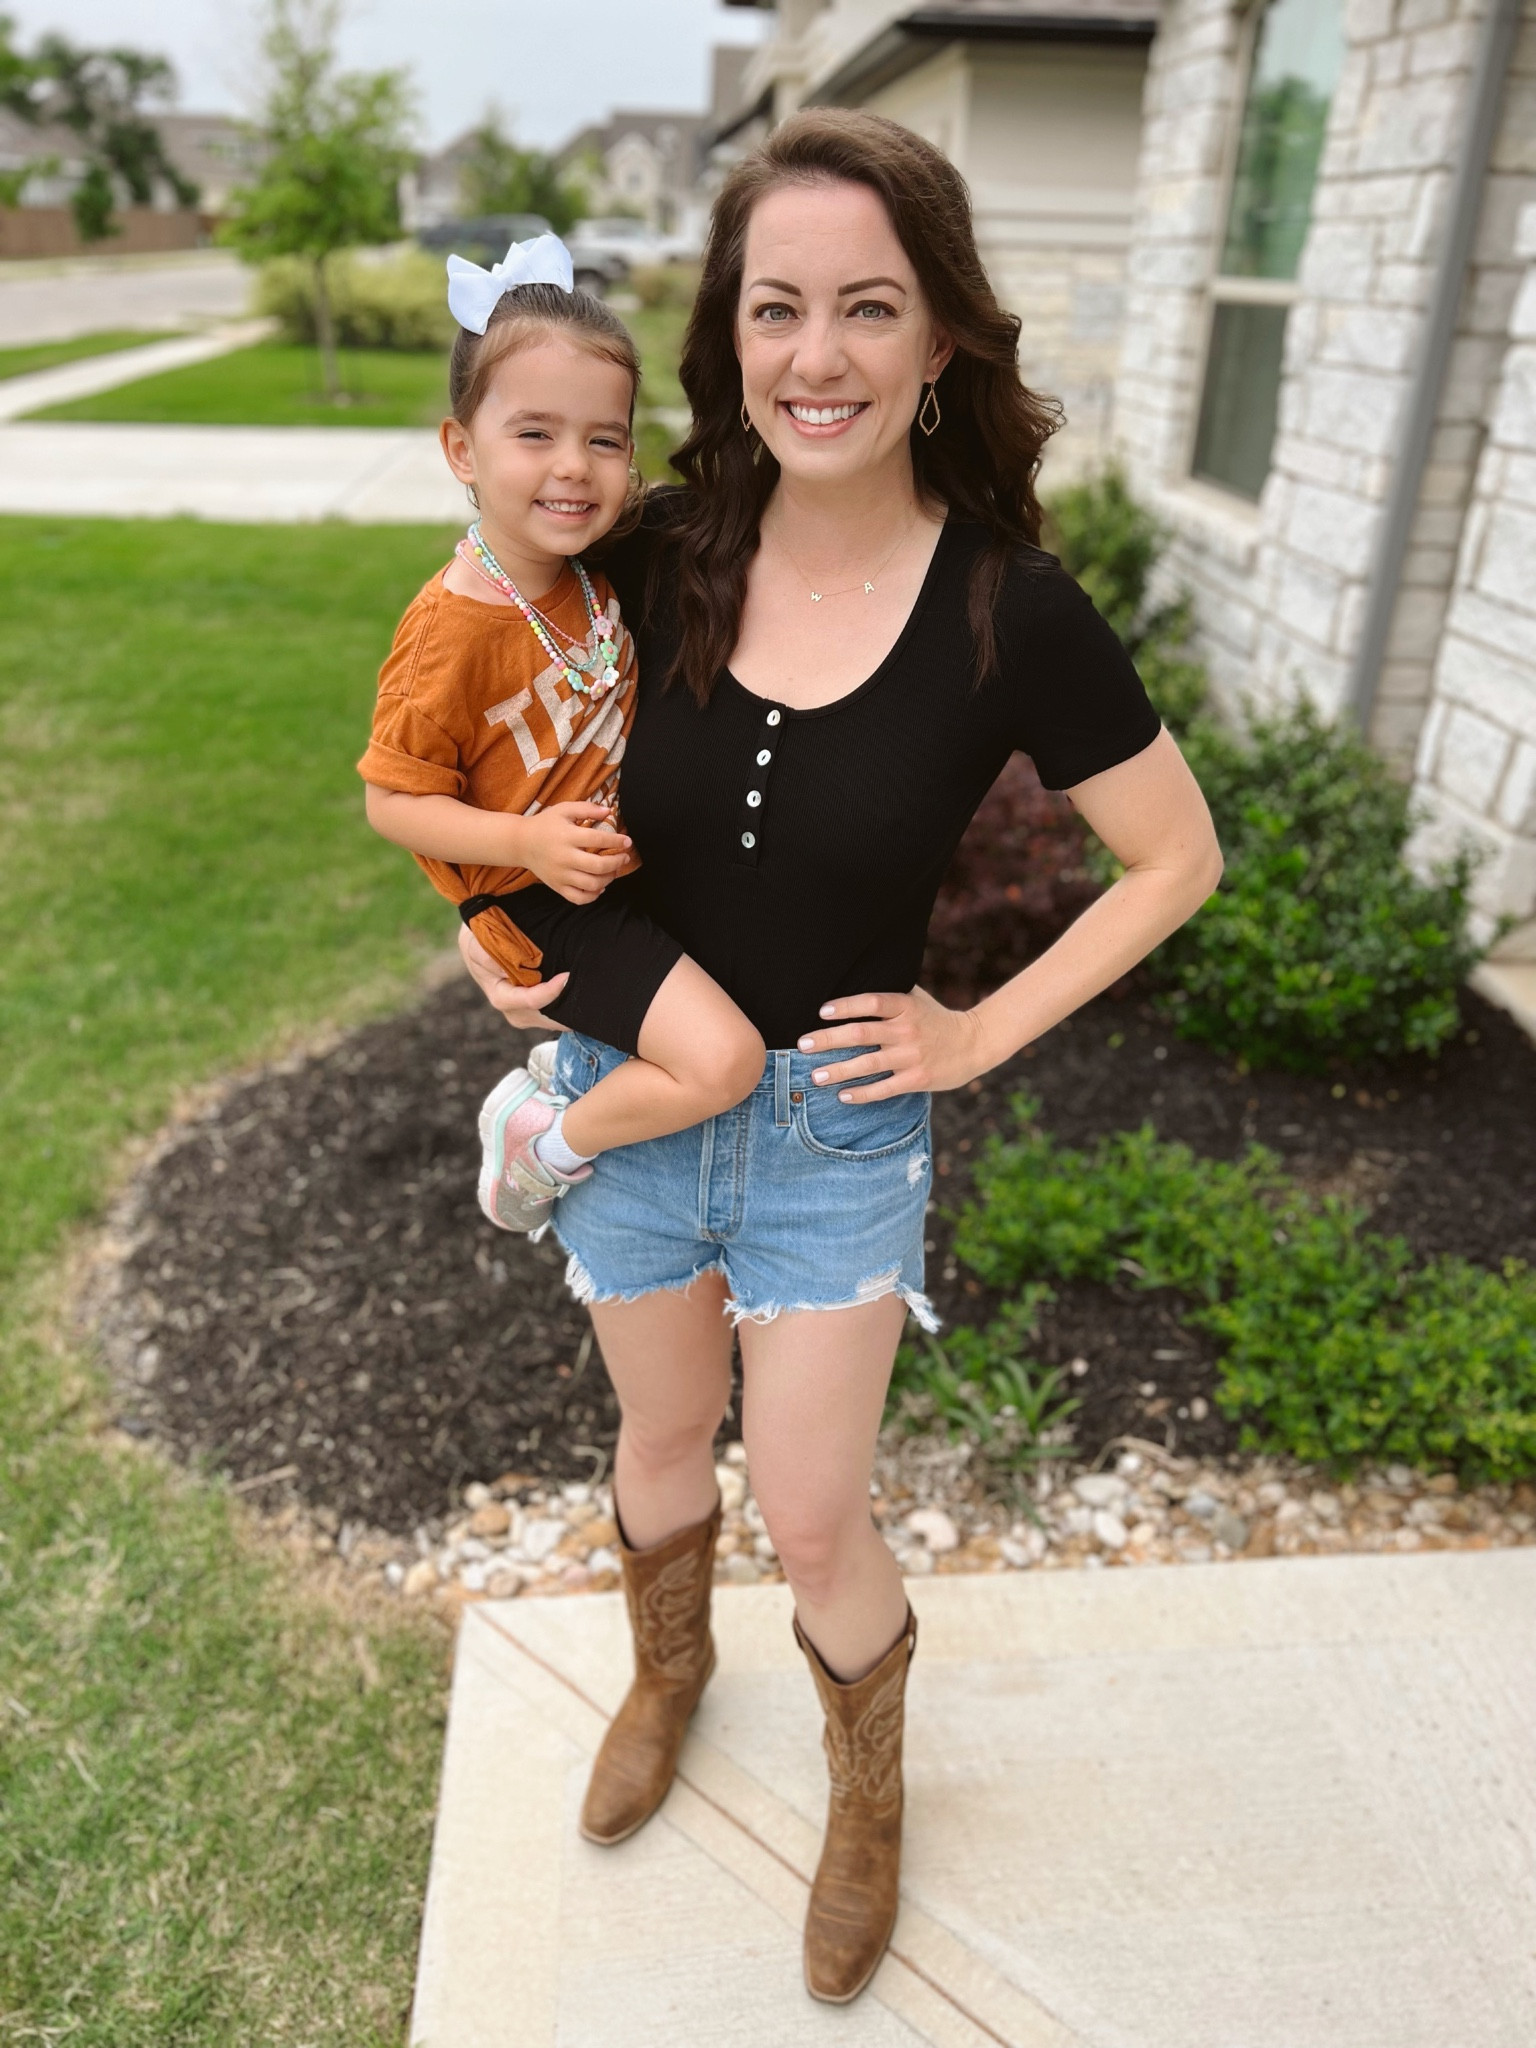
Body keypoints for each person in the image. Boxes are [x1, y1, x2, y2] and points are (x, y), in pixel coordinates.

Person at [460, 111, 1224, 2005]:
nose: (818, 357)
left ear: (941, 337)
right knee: (650, 1441)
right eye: (778, 308)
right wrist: (486, 938)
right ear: (729, 338)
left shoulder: (1009, 609)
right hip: (629, 1113)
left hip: (831, 1137)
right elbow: (480, 757)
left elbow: (1177, 858)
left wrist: (974, 1031)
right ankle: (663, 1669)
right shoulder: (641, 560)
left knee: (810, 1513)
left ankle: (865, 1794)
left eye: (868, 308)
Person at [358, 234, 764, 1234]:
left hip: (606, 874)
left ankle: (583, 1064)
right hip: (545, 900)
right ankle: (546, 1138)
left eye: (605, 439)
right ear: (463, 449)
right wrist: (524, 843)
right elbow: (391, 799)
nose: (575, 469)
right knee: (726, 1061)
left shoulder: (595, 568)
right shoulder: (452, 632)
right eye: (534, 434)